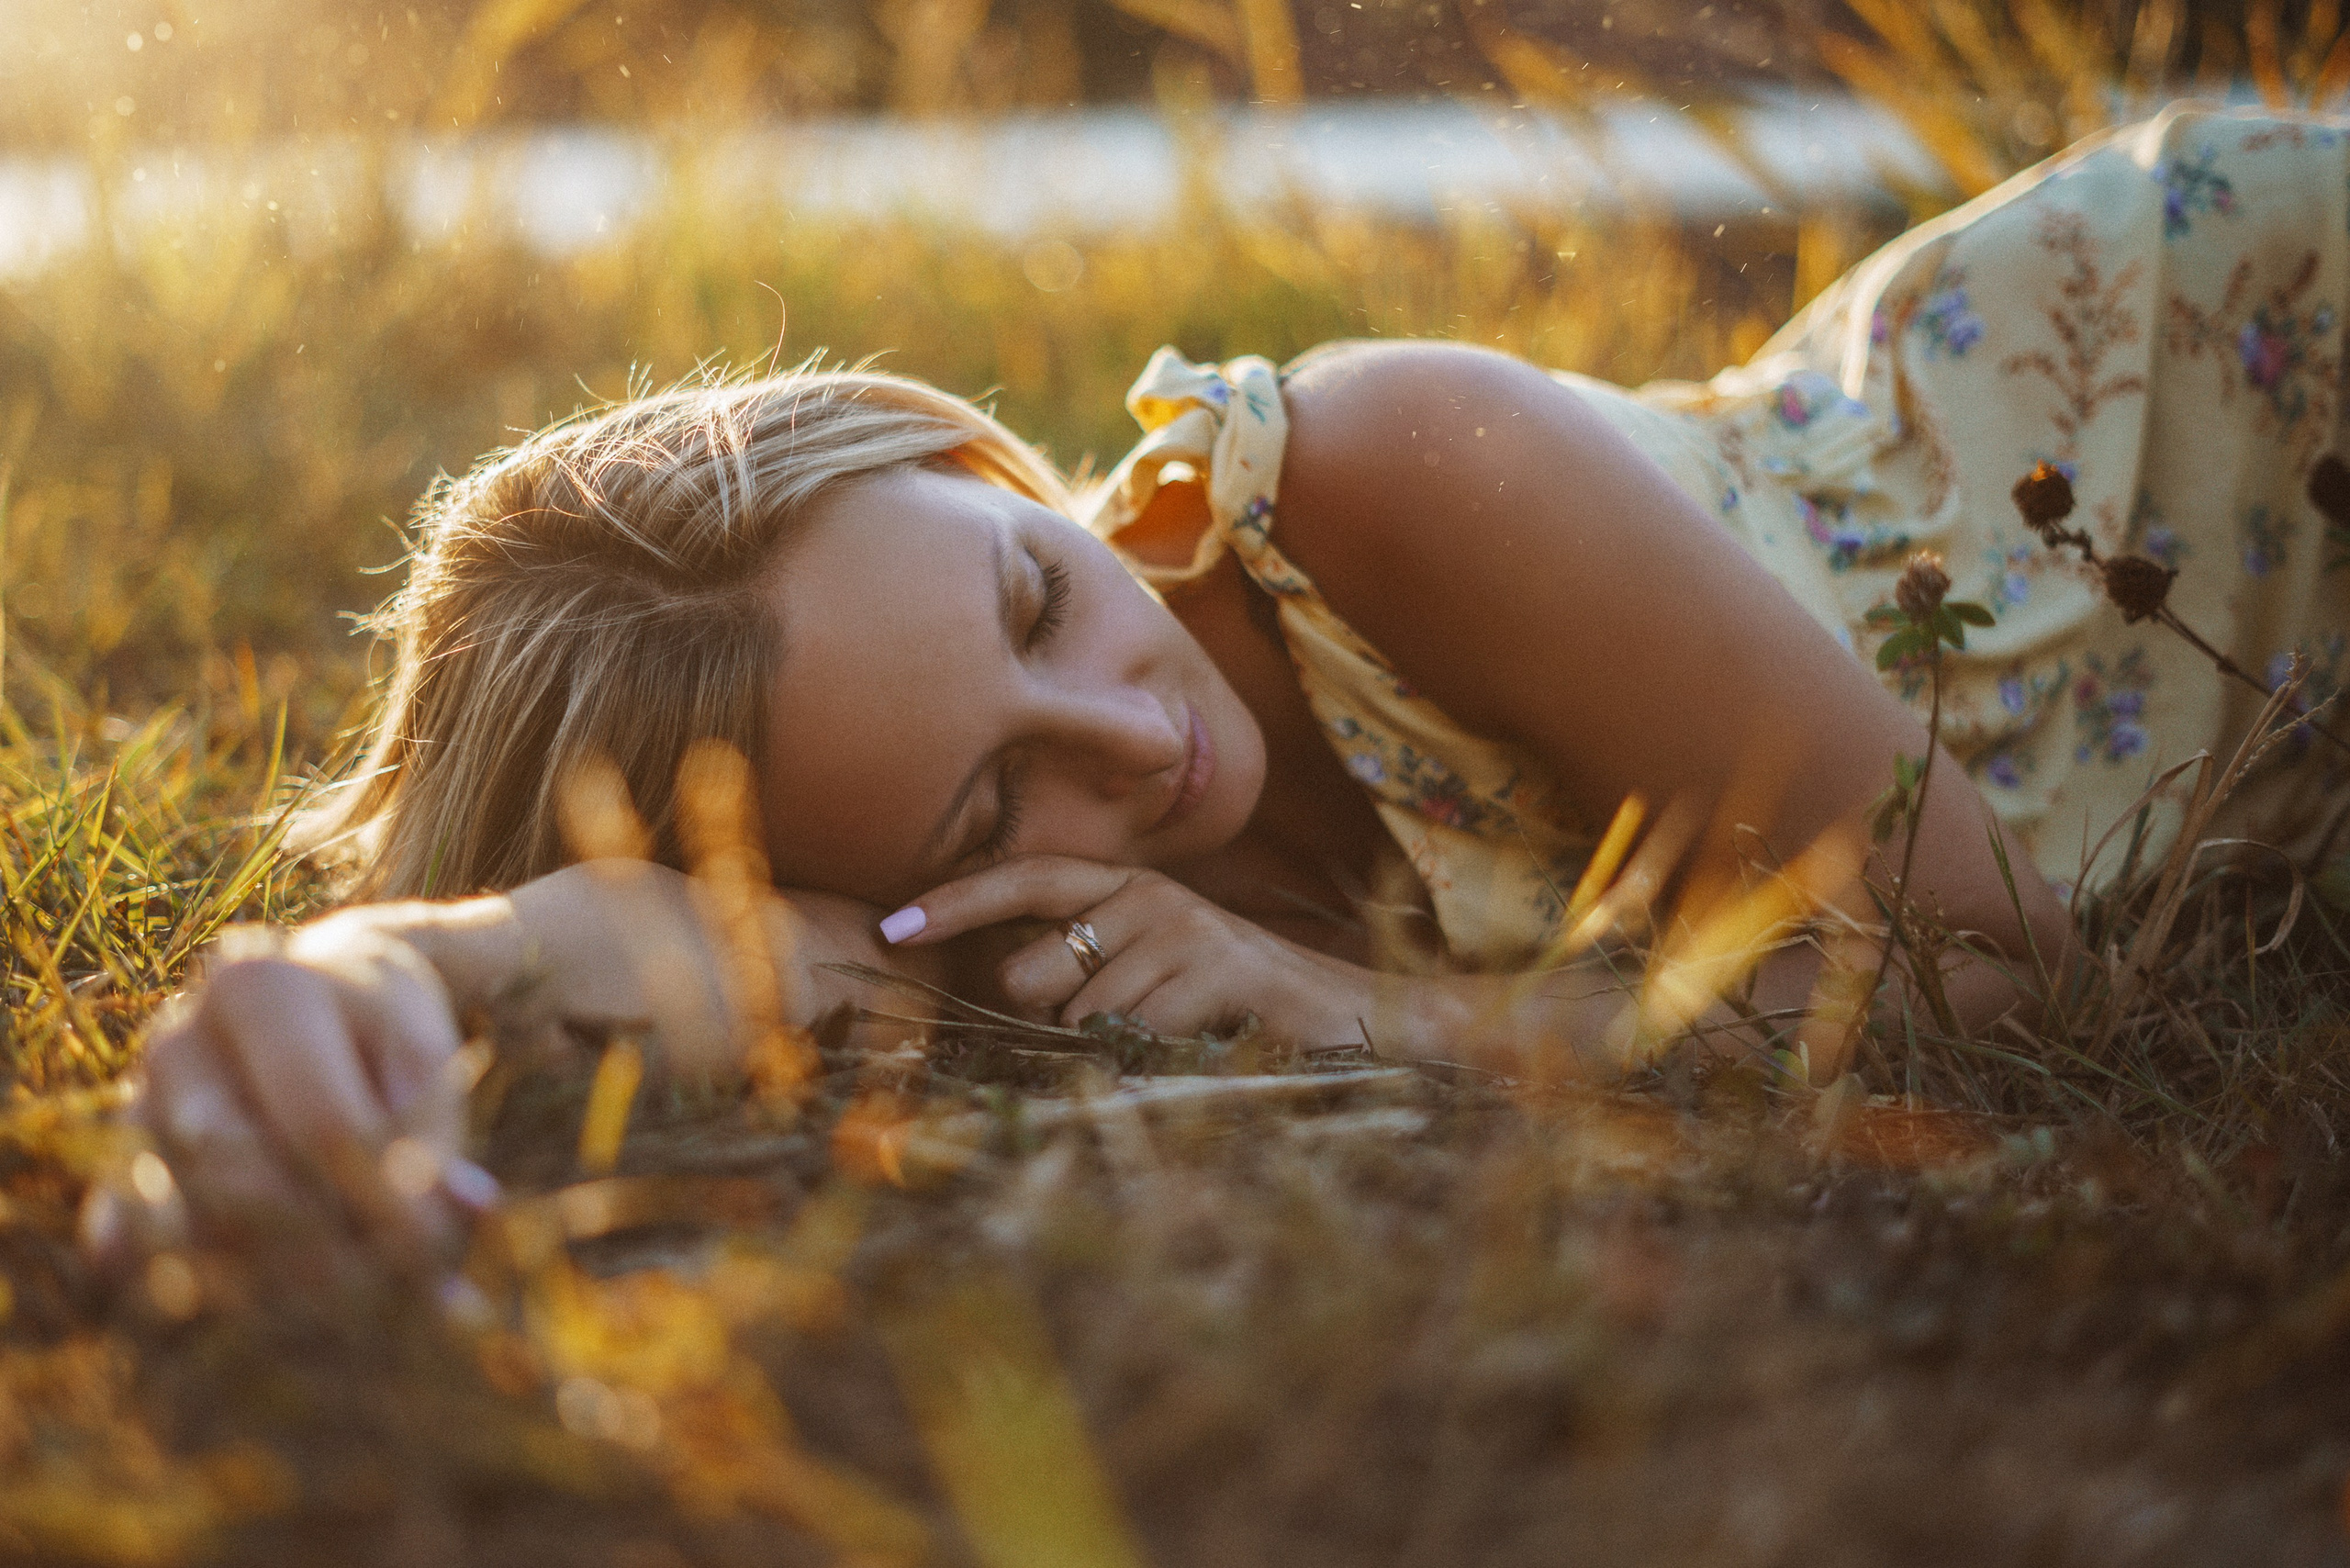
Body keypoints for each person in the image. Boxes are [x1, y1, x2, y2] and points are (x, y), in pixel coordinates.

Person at [131, 102, 2348, 1251]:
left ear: (981, 455)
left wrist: (1364, 1014)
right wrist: (388, 985)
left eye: (1027, 593)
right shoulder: (1009, 941)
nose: (1133, 740)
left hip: (2236, 369)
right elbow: (682, 934)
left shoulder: (1378, 473)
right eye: (992, 811)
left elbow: (2023, 973)